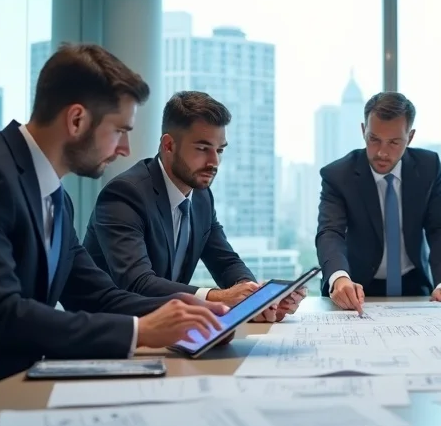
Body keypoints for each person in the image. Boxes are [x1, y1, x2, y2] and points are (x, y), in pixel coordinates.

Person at [0, 44, 229, 402]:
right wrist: (140, 330)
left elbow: (98, 295)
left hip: (0, 385)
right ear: (77, 120)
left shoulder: (56, 197)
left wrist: (195, 313)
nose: (125, 149)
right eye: (119, 130)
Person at [83, 91, 302, 323]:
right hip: (110, 332)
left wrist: (255, 296)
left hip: (167, 330)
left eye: (219, 150)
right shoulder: (125, 194)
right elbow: (138, 282)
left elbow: (225, 261)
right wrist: (219, 297)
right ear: (168, 145)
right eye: (202, 148)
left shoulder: (201, 196)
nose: (214, 162)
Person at [316, 92, 441, 312]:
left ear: (410, 137)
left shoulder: (428, 167)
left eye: (394, 142)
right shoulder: (338, 175)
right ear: (363, 131)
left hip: (415, 286)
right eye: (374, 139)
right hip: (356, 288)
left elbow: (439, 229)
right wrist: (339, 277)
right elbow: (330, 232)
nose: (382, 152)